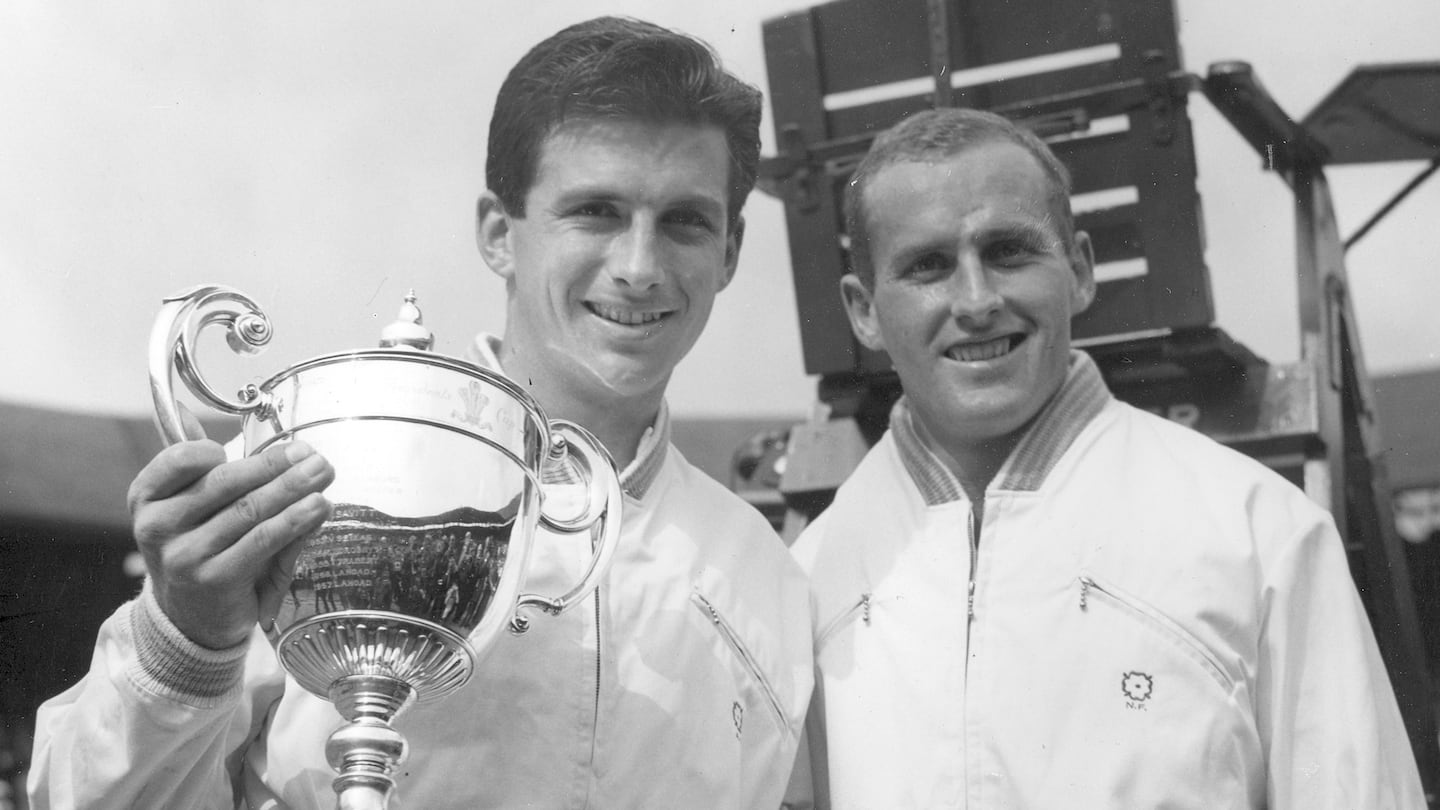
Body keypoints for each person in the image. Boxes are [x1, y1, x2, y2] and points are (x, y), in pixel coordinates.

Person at [29, 16, 811, 810]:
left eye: (684, 221)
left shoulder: (766, 580)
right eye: (596, 212)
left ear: (731, 252)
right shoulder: (308, 479)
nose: (640, 267)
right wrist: (184, 641)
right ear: (499, 233)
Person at [787, 108, 1424, 808]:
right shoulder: (805, 583)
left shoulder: (1260, 535)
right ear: (864, 311)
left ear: (1080, 272)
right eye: (928, 266)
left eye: (1008, 251)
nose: (976, 301)